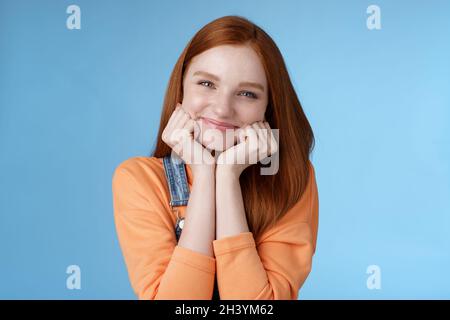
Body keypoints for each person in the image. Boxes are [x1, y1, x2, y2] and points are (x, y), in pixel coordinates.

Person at [112, 15, 319, 300]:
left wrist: (227, 176)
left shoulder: (292, 178)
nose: (222, 109)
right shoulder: (139, 179)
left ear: (267, 109)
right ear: (181, 87)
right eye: (207, 84)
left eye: (247, 93)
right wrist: (205, 174)